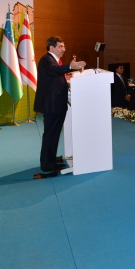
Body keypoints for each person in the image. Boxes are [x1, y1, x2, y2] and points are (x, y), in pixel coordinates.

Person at [33, 36, 86, 179]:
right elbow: (54, 71)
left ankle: (50, 160)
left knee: (54, 134)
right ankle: (46, 164)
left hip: (57, 104)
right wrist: (71, 66)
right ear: (51, 48)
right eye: (60, 46)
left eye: (64, 46)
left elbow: (56, 74)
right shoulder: (46, 60)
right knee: (50, 134)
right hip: (52, 105)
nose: (64, 49)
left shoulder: (54, 61)